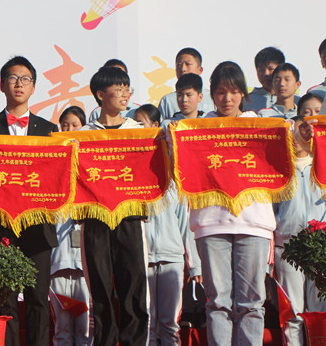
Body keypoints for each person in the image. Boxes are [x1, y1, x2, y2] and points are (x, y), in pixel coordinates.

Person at [191, 61, 276, 345]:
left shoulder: (259, 126)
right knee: (218, 301)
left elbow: (290, 147)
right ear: (212, 94)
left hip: (253, 223)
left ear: (243, 93)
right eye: (220, 92)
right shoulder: (197, 129)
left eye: (234, 92)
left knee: (251, 302)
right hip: (211, 223)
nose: (227, 99)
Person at [0, 55, 58, 346]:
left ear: (33, 87)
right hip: (0, 228)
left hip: (38, 226)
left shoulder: (50, 131)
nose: (19, 84)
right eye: (12, 78)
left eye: (25, 79)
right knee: (4, 300)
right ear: (1, 85)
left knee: (38, 299)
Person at [81, 66, 149, 346]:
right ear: (101, 95)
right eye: (118, 88)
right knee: (100, 289)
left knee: (133, 286)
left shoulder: (138, 131)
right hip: (95, 218)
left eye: (126, 88)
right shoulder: (84, 134)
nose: (124, 94)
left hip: (129, 216)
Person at [133, 104, 202, 346]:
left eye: (141, 123)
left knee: (170, 324)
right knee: (148, 323)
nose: (137, 128)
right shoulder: (131, 179)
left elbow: (185, 223)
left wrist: (194, 265)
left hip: (172, 258)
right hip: (142, 260)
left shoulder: (174, 179)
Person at [274, 115, 326, 346]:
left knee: (319, 310)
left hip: (319, 247)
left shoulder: (321, 166)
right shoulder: (278, 171)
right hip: (287, 247)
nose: (295, 138)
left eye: (299, 131)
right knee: (292, 311)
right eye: (290, 133)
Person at [51, 106, 92, 346]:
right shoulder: (52, 167)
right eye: (64, 125)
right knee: (62, 330)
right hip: (59, 262)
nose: (69, 129)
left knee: (86, 330)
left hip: (85, 266)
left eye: (75, 125)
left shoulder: (91, 167)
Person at [158, 47, 213, 120]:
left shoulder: (212, 97)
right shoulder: (167, 100)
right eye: (179, 65)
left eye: (188, 64)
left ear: (200, 70)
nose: (183, 69)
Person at [243, 47, 288, 112]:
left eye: (271, 69)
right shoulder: (246, 101)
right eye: (261, 70)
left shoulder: (294, 100)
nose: (266, 73)